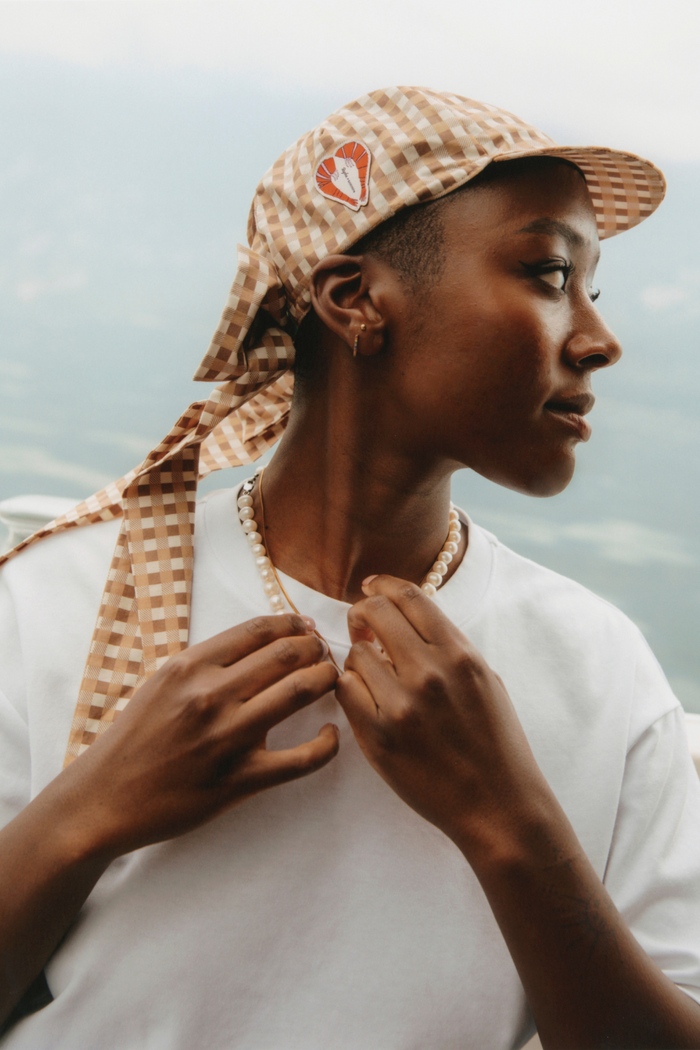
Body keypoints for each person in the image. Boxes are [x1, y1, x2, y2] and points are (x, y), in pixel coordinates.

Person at [0, 86, 699, 1049]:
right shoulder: (52, 602)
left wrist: (510, 823)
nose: (598, 338)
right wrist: (90, 812)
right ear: (354, 300)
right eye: (547, 273)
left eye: (591, 288)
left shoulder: (602, 669)